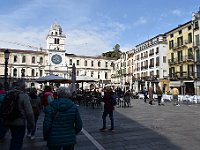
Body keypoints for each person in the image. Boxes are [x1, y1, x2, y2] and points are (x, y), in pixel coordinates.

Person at [5, 80, 35, 150]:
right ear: (23, 87)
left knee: (13, 139)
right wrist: (32, 123)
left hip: (9, 120)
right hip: (19, 122)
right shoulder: (24, 96)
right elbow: (29, 112)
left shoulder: (8, 94)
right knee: (18, 141)